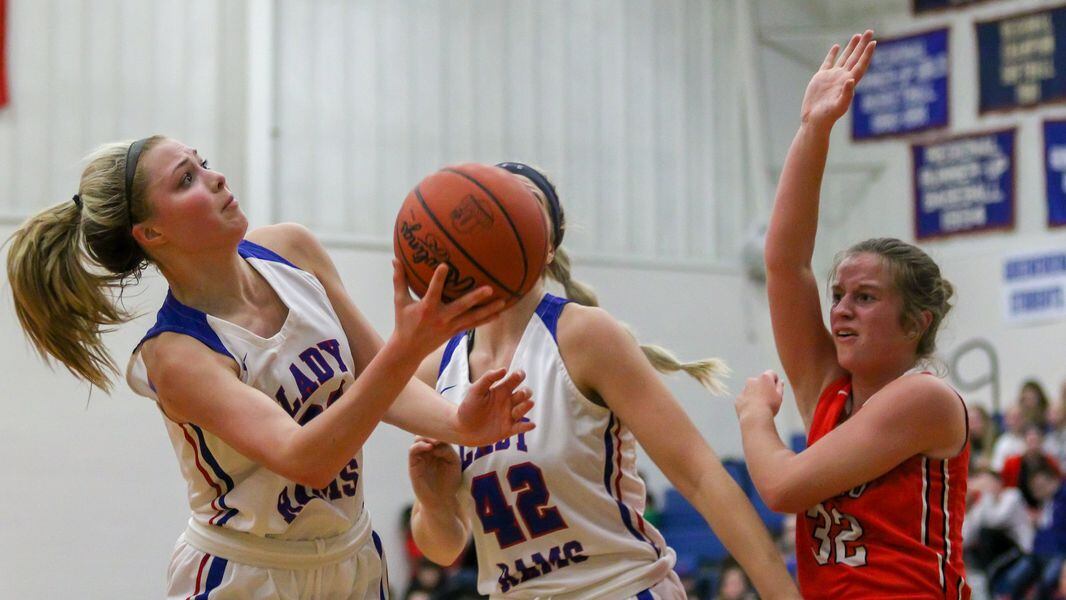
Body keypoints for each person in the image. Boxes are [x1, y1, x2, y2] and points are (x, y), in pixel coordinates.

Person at [5, 136, 537, 598]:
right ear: (151, 234)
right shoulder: (176, 353)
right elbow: (306, 458)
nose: (215, 179)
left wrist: (459, 423)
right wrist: (410, 345)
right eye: (186, 179)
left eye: (204, 162)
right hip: (248, 575)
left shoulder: (291, 250)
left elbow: (381, 377)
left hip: (351, 555)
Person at [405, 162, 799, 599]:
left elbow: (702, 476)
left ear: (549, 245)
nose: (508, 211)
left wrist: (782, 593)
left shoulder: (583, 335)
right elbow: (444, 549)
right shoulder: (436, 371)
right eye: (496, 202)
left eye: (524, 204)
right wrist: (437, 504)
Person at [733, 31, 971, 598]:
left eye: (864, 297)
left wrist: (754, 418)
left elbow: (783, 488)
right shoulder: (831, 394)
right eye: (838, 294)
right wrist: (814, 128)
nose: (840, 309)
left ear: (916, 323)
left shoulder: (926, 399)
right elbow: (786, 264)